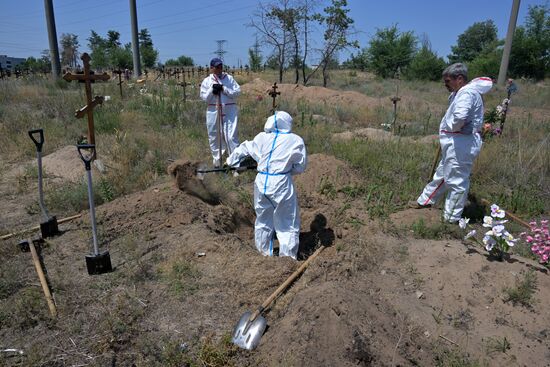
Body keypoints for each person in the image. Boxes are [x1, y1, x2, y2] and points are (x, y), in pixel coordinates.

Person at [410, 63, 493, 223]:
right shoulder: (461, 92)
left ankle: (451, 219)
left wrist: (453, 129)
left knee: (456, 181)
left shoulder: (467, 93)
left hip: (461, 144)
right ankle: (426, 201)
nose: (445, 84)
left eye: (448, 81)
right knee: (443, 174)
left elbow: (460, 117)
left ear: (459, 79)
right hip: (455, 142)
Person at [225, 111, 307, 259]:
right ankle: (287, 259)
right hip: (281, 182)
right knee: (287, 222)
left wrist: (230, 162)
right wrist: (286, 169)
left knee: (263, 219)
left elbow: (244, 147)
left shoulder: (261, 138)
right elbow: (300, 166)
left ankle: (263, 255)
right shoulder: (295, 140)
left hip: (261, 181)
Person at [200, 57, 241, 168]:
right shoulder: (207, 81)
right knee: (214, 136)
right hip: (213, 110)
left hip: (229, 110)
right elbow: (204, 98)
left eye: (221, 66)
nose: (220, 69)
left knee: (231, 136)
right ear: (211, 68)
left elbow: (237, 92)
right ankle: (218, 162)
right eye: (217, 67)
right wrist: (212, 90)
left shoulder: (229, 79)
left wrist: (224, 89)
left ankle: (235, 163)